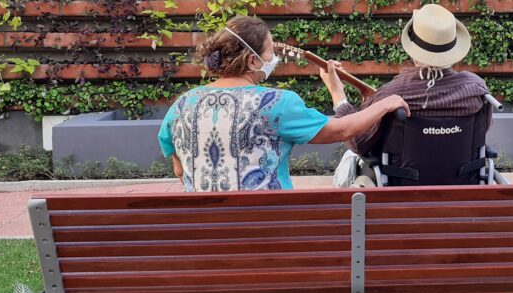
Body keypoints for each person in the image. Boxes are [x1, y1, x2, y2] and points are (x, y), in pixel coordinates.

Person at [157, 15, 409, 192]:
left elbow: (180, 172)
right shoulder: (274, 103)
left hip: (204, 237)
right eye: (269, 52)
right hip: (269, 233)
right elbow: (341, 130)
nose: (274, 58)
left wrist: (335, 89)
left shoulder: (181, 106)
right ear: (253, 61)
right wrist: (384, 104)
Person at [331, 3, 489, 184]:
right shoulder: (476, 88)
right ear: (452, 48)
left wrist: (339, 97)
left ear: (413, 49)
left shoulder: (393, 94)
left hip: (399, 191)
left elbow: (358, 142)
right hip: (462, 187)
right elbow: (479, 133)